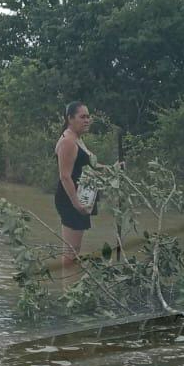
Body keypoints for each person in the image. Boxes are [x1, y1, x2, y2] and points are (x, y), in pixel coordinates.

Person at [54, 101, 113, 266]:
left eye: (88, 117)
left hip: (79, 197)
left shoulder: (77, 139)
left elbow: (90, 165)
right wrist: (76, 203)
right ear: (70, 118)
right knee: (70, 255)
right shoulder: (68, 142)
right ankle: (69, 289)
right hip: (70, 198)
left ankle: (71, 287)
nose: (87, 120)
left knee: (74, 251)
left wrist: (112, 169)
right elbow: (65, 176)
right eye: (82, 117)